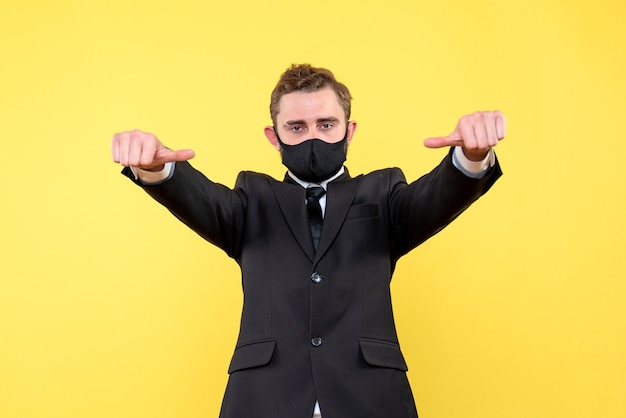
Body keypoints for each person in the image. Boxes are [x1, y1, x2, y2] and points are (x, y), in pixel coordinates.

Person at [111, 64, 505, 418]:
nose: (313, 137)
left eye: (327, 124)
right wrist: (158, 168)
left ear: (349, 131)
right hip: (265, 401)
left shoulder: (383, 193)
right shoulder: (252, 199)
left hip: (371, 400)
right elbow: (198, 199)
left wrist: (471, 156)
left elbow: (438, 196)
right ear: (274, 136)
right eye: (296, 128)